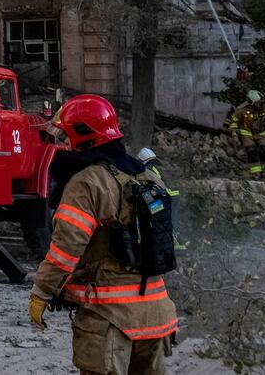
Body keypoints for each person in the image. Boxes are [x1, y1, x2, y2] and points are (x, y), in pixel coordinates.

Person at [30, 94, 178, 375]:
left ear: (84, 137)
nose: (62, 144)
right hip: (158, 317)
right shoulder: (148, 177)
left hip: (110, 319)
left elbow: (66, 249)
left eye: (65, 136)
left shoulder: (86, 183)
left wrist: (42, 292)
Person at [224, 89, 265, 175]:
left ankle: (264, 171)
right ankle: (255, 173)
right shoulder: (241, 110)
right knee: (251, 151)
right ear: (251, 102)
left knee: (264, 151)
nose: (260, 104)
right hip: (247, 133)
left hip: (261, 133)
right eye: (258, 102)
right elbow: (234, 124)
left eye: (261, 102)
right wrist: (235, 136)